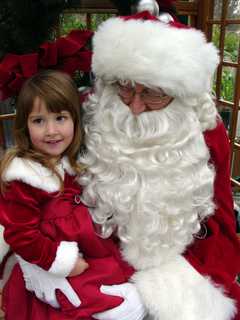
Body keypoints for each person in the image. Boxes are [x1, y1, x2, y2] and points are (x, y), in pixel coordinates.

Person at [77, 1, 240, 319]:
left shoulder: (205, 134)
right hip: (95, 261)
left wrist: (182, 284)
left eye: (152, 93)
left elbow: (220, 222)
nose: (135, 107)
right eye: (125, 87)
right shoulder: (91, 117)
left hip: (184, 261)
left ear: (180, 95)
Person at [0, 70, 146, 320]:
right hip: (54, 263)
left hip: (90, 251)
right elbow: (20, 234)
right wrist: (61, 262)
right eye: (39, 121)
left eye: (60, 118)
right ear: (25, 124)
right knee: (87, 302)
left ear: (75, 121)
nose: (51, 130)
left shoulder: (71, 164)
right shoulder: (23, 178)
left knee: (121, 283)